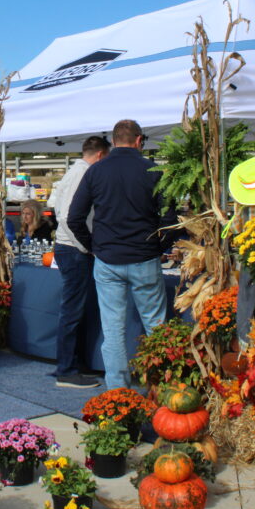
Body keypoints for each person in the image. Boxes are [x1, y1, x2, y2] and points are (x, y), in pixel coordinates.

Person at [67, 119, 176, 390]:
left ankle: (117, 392)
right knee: (156, 326)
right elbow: (171, 220)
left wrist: (93, 247)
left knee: (113, 330)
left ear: (114, 141)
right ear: (139, 140)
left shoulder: (95, 171)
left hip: (107, 259)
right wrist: (159, 248)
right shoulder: (153, 170)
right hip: (144, 257)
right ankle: (164, 388)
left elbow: (74, 218)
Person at [49, 135, 110, 388]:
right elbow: (67, 217)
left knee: (79, 309)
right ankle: (66, 369)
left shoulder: (76, 172)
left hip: (72, 247)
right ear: (100, 155)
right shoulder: (80, 175)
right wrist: (88, 246)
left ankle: (76, 363)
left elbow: (56, 206)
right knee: (72, 310)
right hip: (73, 249)